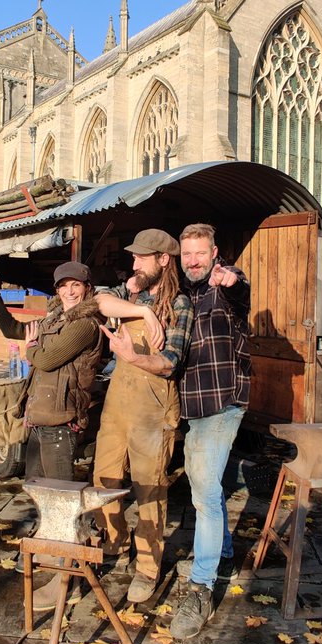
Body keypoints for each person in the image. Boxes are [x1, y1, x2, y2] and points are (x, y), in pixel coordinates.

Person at [92, 230, 193, 605]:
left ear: (163, 260)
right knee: (104, 477)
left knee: (149, 489)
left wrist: (133, 357)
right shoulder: (130, 294)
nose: (134, 264)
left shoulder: (181, 305)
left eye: (142, 257)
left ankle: (148, 569)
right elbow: (98, 303)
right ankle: (114, 541)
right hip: (117, 404)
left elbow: (170, 363)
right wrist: (143, 310)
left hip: (154, 406)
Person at [169, 223, 251, 640]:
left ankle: (201, 586)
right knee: (209, 486)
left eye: (200, 254)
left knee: (202, 495)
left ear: (214, 252)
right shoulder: (185, 295)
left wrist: (231, 280)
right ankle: (221, 553)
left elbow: (241, 290)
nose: (194, 261)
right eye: (187, 255)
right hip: (193, 407)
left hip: (223, 402)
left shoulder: (224, 285)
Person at [0, 262, 104, 485]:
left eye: (75, 285)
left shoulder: (85, 325)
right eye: (63, 286)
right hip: (41, 416)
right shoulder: (54, 318)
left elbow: (45, 360)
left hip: (61, 420)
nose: (69, 292)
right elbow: (12, 329)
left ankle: (74, 521)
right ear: (57, 290)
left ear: (87, 288)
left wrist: (31, 347)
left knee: (61, 492)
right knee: (36, 486)